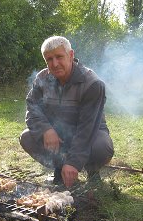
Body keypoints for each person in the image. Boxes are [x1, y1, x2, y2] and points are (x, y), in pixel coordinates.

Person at [20, 36, 114, 188]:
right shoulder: (42, 78)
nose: (55, 64)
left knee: (101, 146)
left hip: (89, 134)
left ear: (70, 55)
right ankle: (59, 168)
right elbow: (32, 108)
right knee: (27, 137)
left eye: (59, 57)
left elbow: (87, 129)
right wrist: (46, 129)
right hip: (59, 137)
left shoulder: (92, 84)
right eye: (49, 59)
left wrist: (73, 162)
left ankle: (92, 171)